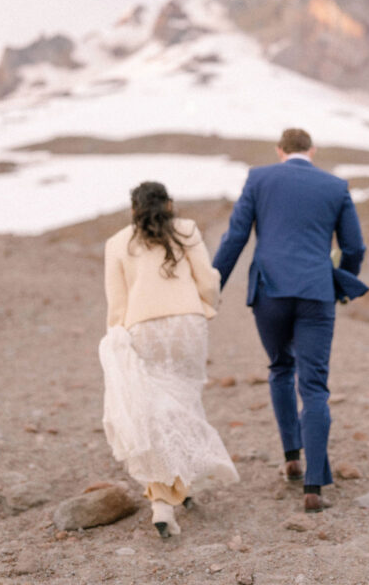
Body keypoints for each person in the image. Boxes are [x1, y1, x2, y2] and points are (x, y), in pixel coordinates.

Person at [212, 128, 366, 513]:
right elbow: (354, 246)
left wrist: (211, 286)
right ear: (312, 150)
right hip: (316, 293)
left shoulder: (259, 178)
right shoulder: (335, 186)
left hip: (270, 292)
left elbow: (235, 238)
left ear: (280, 150)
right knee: (314, 386)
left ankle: (292, 458)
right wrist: (343, 282)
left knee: (281, 367)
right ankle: (313, 487)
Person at [100, 181, 239, 538]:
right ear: (170, 204)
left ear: (133, 210)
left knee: (154, 410)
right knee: (185, 401)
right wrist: (206, 307)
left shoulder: (116, 243)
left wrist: (117, 338)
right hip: (187, 325)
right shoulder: (186, 229)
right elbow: (206, 279)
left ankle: (163, 502)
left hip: (143, 329)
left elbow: (117, 304)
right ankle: (182, 487)